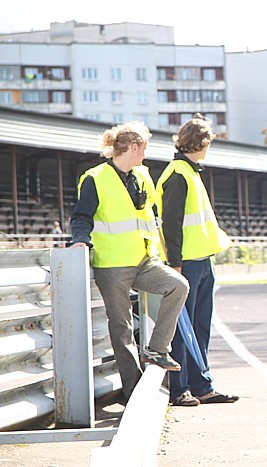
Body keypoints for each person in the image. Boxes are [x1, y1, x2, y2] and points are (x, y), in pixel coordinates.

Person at [70, 121, 189, 401]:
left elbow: (149, 216)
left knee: (179, 286)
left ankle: (158, 349)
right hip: (112, 264)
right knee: (121, 326)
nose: (146, 155)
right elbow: (81, 216)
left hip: (144, 260)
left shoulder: (142, 176)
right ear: (134, 147)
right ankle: (133, 390)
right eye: (144, 148)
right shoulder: (95, 178)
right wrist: (79, 240)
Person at [156, 113, 238, 406]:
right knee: (183, 329)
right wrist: (175, 263)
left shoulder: (191, 171)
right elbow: (172, 224)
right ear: (201, 143)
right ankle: (180, 389)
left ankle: (202, 384)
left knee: (201, 325)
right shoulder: (178, 174)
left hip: (202, 260)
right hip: (186, 263)